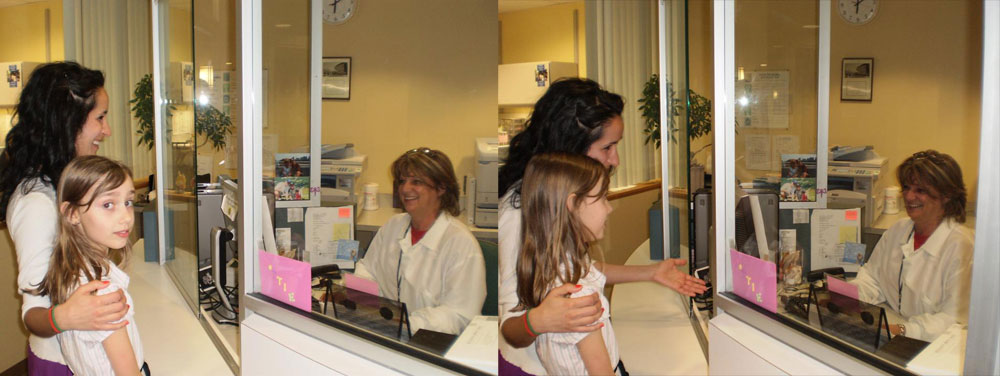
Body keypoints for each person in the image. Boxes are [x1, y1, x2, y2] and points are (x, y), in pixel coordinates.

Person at [498, 78, 707, 375]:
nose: (616, 159)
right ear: (571, 146)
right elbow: (510, 328)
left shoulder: (557, 207)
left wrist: (651, 273)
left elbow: (577, 268)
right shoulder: (519, 214)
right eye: (607, 147)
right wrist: (539, 320)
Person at [0, 61, 128, 374]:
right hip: (62, 363)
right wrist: (66, 317)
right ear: (68, 122)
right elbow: (34, 314)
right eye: (100, 117)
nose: (106, 130)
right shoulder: (37, 203)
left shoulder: (65, 184)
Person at [26, 156, 147, 375]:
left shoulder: (68, 268)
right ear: (72, 213)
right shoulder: (101, 293)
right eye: (108, 205)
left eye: (128, 202)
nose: (126, 218)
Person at [354, 147, 486, 335]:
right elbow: (368, 270)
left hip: (434, 345)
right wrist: (360, 306)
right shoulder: (393, 226)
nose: (405, 189)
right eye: (402, 181)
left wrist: (405, 325)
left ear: (441, 188)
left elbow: (459, 315)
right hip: (386, 333)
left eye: (416, 182)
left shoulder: (461, 244)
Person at [850, 150, 973, 341]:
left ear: (946, 195)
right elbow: (873, 278)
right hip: (890, 329)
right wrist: (845, 298)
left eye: (920, 190)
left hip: (932, 346)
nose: (908, 196)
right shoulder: (898, 231)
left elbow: (954, 320)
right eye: (906, 188)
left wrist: (901, 330)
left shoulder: (962, 247)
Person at [515, 153, 620, 375]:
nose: (609, 208)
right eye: (602, 198)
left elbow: (596, 271)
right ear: (573, 204)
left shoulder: (554, 270)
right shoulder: (578, 295)